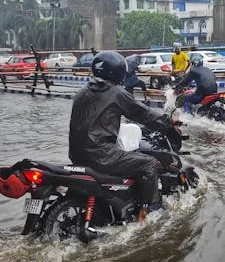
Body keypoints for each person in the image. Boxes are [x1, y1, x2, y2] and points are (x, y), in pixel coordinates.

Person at [69, 51, 173, 232]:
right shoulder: (116, 93)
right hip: (102, 155)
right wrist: (168, 121)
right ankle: (149, 212)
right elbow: (143, 114)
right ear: (117, 71)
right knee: (148, 164)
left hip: (77, 155)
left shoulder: (82, 92)